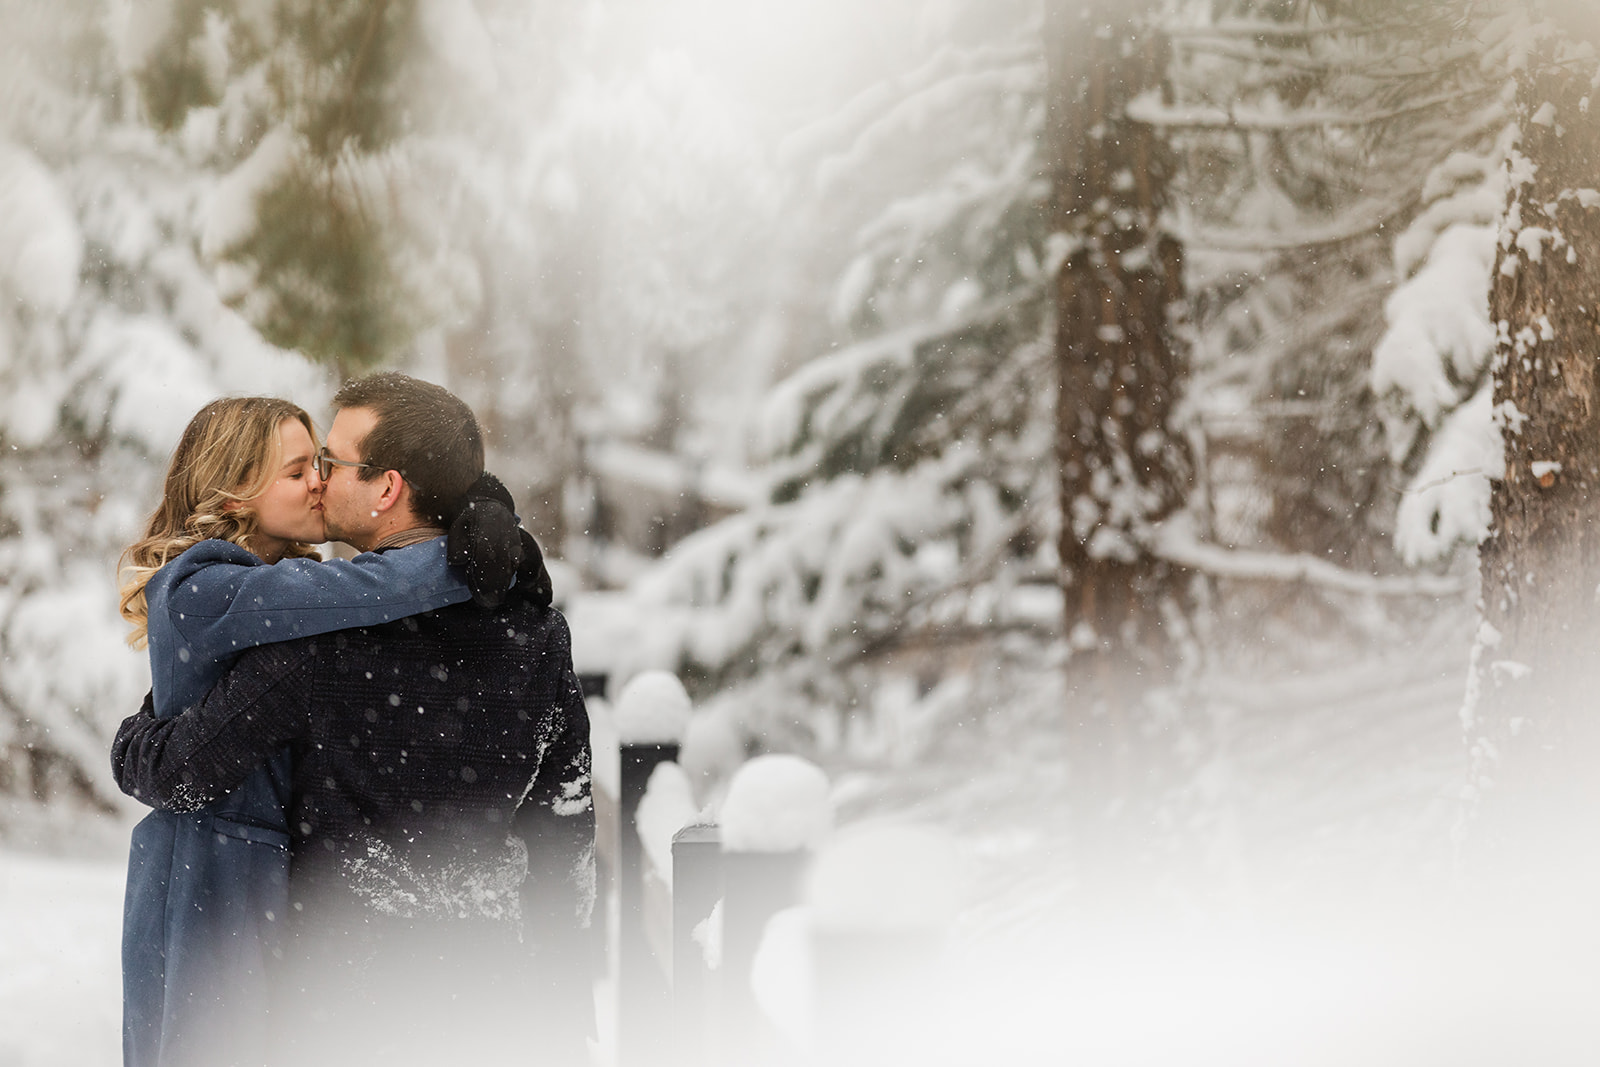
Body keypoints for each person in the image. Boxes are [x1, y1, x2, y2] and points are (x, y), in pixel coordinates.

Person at [113, 373, 594, 1067]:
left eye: (330, 464)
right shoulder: (537, 634)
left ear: (388, 488)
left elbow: (180, 769)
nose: (318, 481)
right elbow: (565, 829)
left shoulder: (313, 647)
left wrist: (133, 740)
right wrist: (563, 1002)